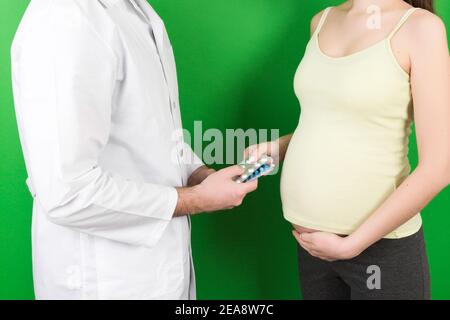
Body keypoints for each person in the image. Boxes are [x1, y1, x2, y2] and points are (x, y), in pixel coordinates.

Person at [11, 0, 257, 300]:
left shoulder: (133, 9)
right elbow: (67, 192)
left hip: (156, 272)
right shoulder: (67, 17)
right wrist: (197, 200)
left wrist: (197, 173)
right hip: (105, 279)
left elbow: (148, 129)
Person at [245, 0, 449, 299]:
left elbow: (439, 167)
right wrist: (279, 147)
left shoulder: (420, 28)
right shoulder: (322, 20)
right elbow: (332, 119)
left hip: (381, 250)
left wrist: (351, 245)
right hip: (312, 245)